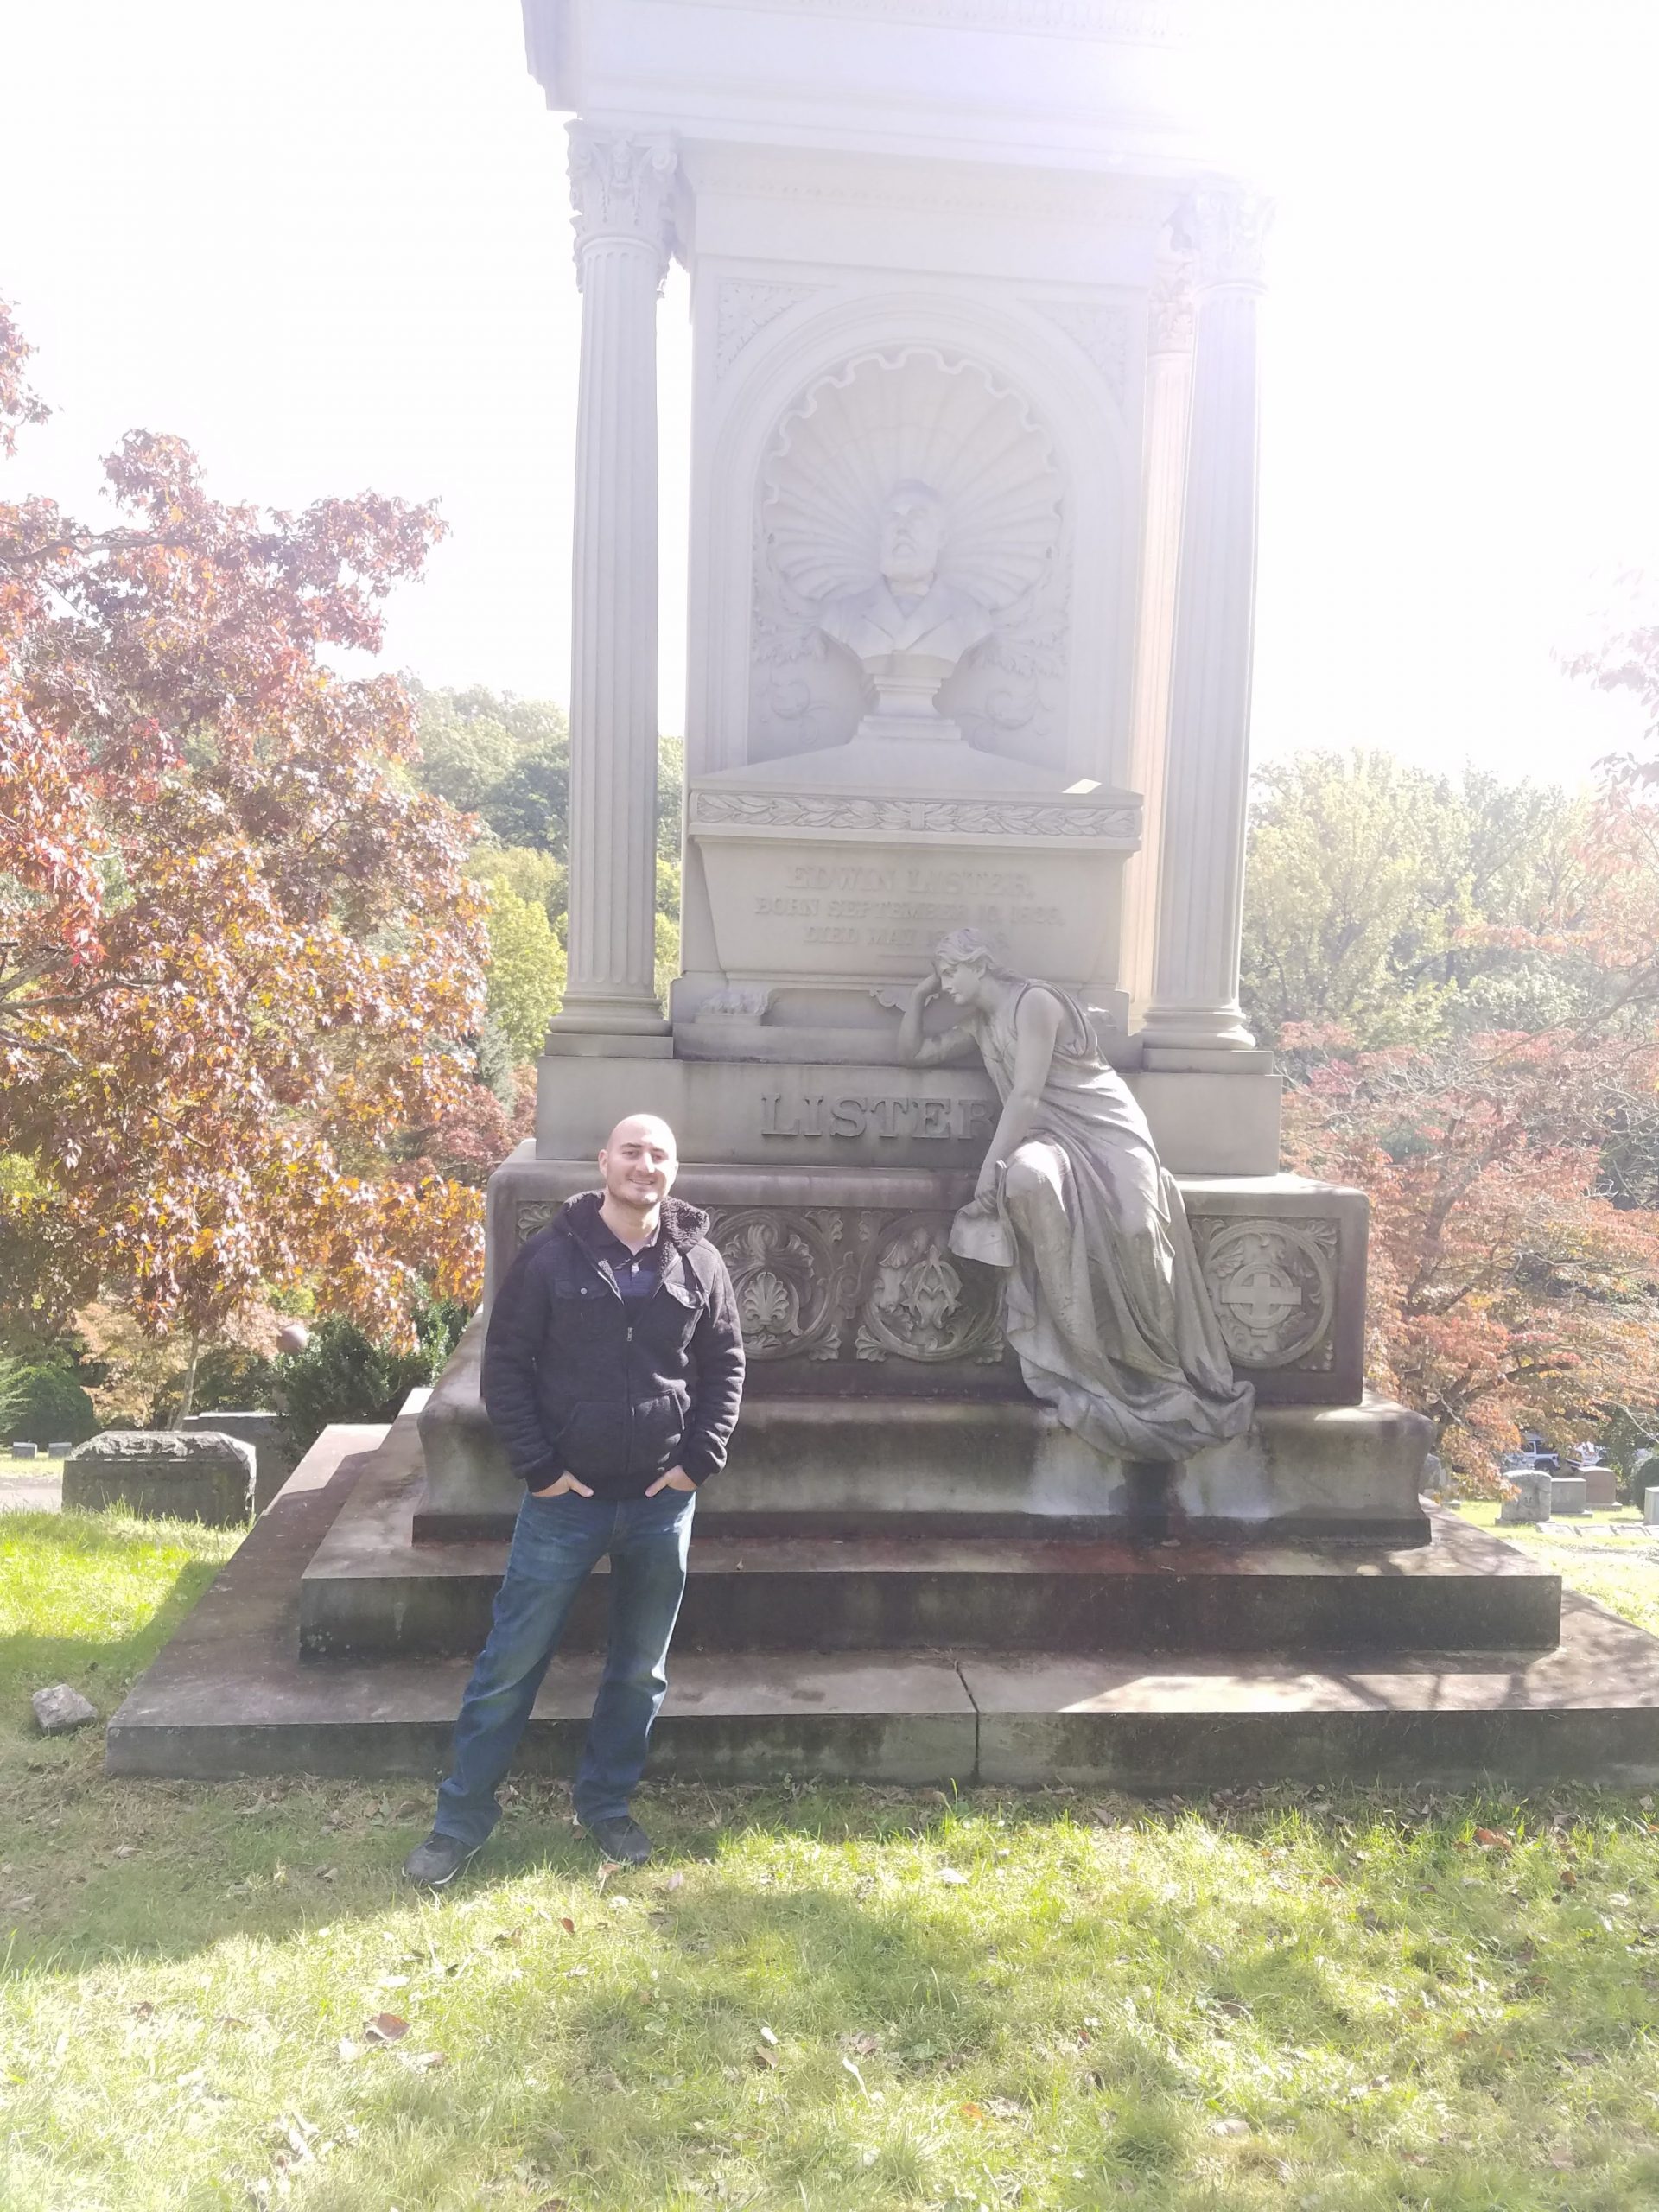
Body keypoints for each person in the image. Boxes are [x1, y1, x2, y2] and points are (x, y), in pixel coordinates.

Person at [403, 1113, 745, 1885]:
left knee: (638, 1672)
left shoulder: (701, 1262)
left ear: (674, 1169)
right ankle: (460, 1822)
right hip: (565, 1504)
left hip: (662, 1503)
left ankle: (607, 1807)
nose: (644, 1166)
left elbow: (725, 1364)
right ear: (603, 1163)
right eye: (632, 1152)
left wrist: (698, 1462)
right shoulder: (550, 1257)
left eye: (659, 1154)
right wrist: (540, 1468)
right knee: (510, 1665)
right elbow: (507, 1369)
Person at [896, 929, 1253, 1461]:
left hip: (1106, 1130)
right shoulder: (980, 1022)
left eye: (950, 972)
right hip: (1049, 1140)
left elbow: (1027, 1092)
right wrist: (918, 998)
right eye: (940, 975)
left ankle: (1161, 1371)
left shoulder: (1034, 1002)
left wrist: (988, 1170)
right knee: (1029, 1181)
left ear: (982, 965)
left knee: (1136, 1229)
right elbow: (914, 1054)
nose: (946, 984)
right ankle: (1082, 1353)